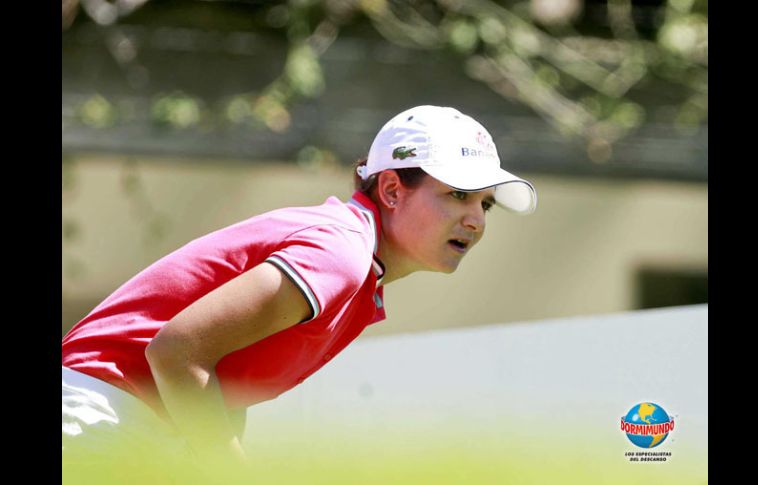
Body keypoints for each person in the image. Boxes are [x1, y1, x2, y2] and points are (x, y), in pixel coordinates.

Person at [61, 105, 537, 477]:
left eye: (485, 204)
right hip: (96, 419)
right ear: (391, 190)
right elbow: (176, 351)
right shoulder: (340, 255)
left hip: (121, 426)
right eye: (457, 194)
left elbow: (219, 387)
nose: (475, 219)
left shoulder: (355, 265)